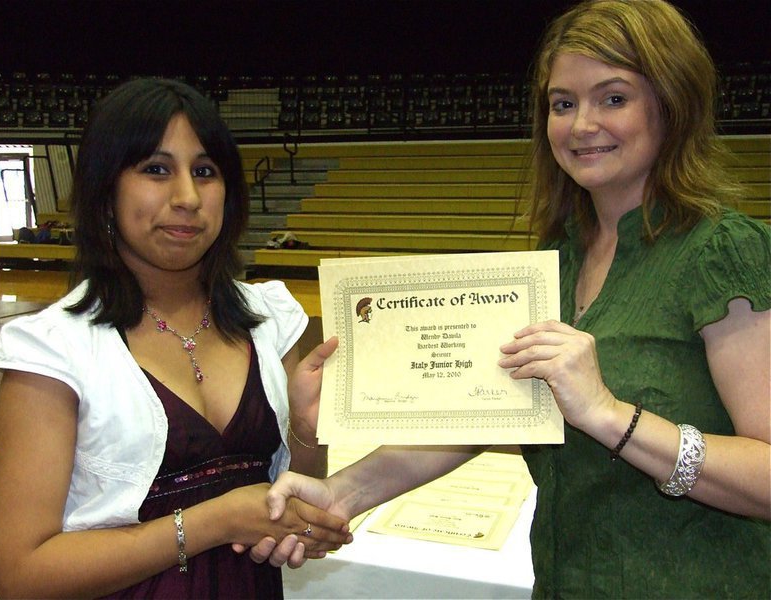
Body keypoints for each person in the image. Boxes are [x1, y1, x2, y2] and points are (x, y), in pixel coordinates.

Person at [252, 1, 771, 597]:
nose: (581, 126)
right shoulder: (551, 262)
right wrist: (339, 493)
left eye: (613, 98)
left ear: (672, 104)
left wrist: (608, 415)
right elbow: (481, 416)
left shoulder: (724, 253)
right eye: (563, 103)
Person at [0, 77, 351, 599]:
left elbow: (294, 503)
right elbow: (21, 577)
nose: (187, 197)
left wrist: (308, 436)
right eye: (156, 170)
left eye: (205, 172)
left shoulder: (269, 320)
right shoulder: (54, 349)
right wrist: (213, 521)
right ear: (105, 191)